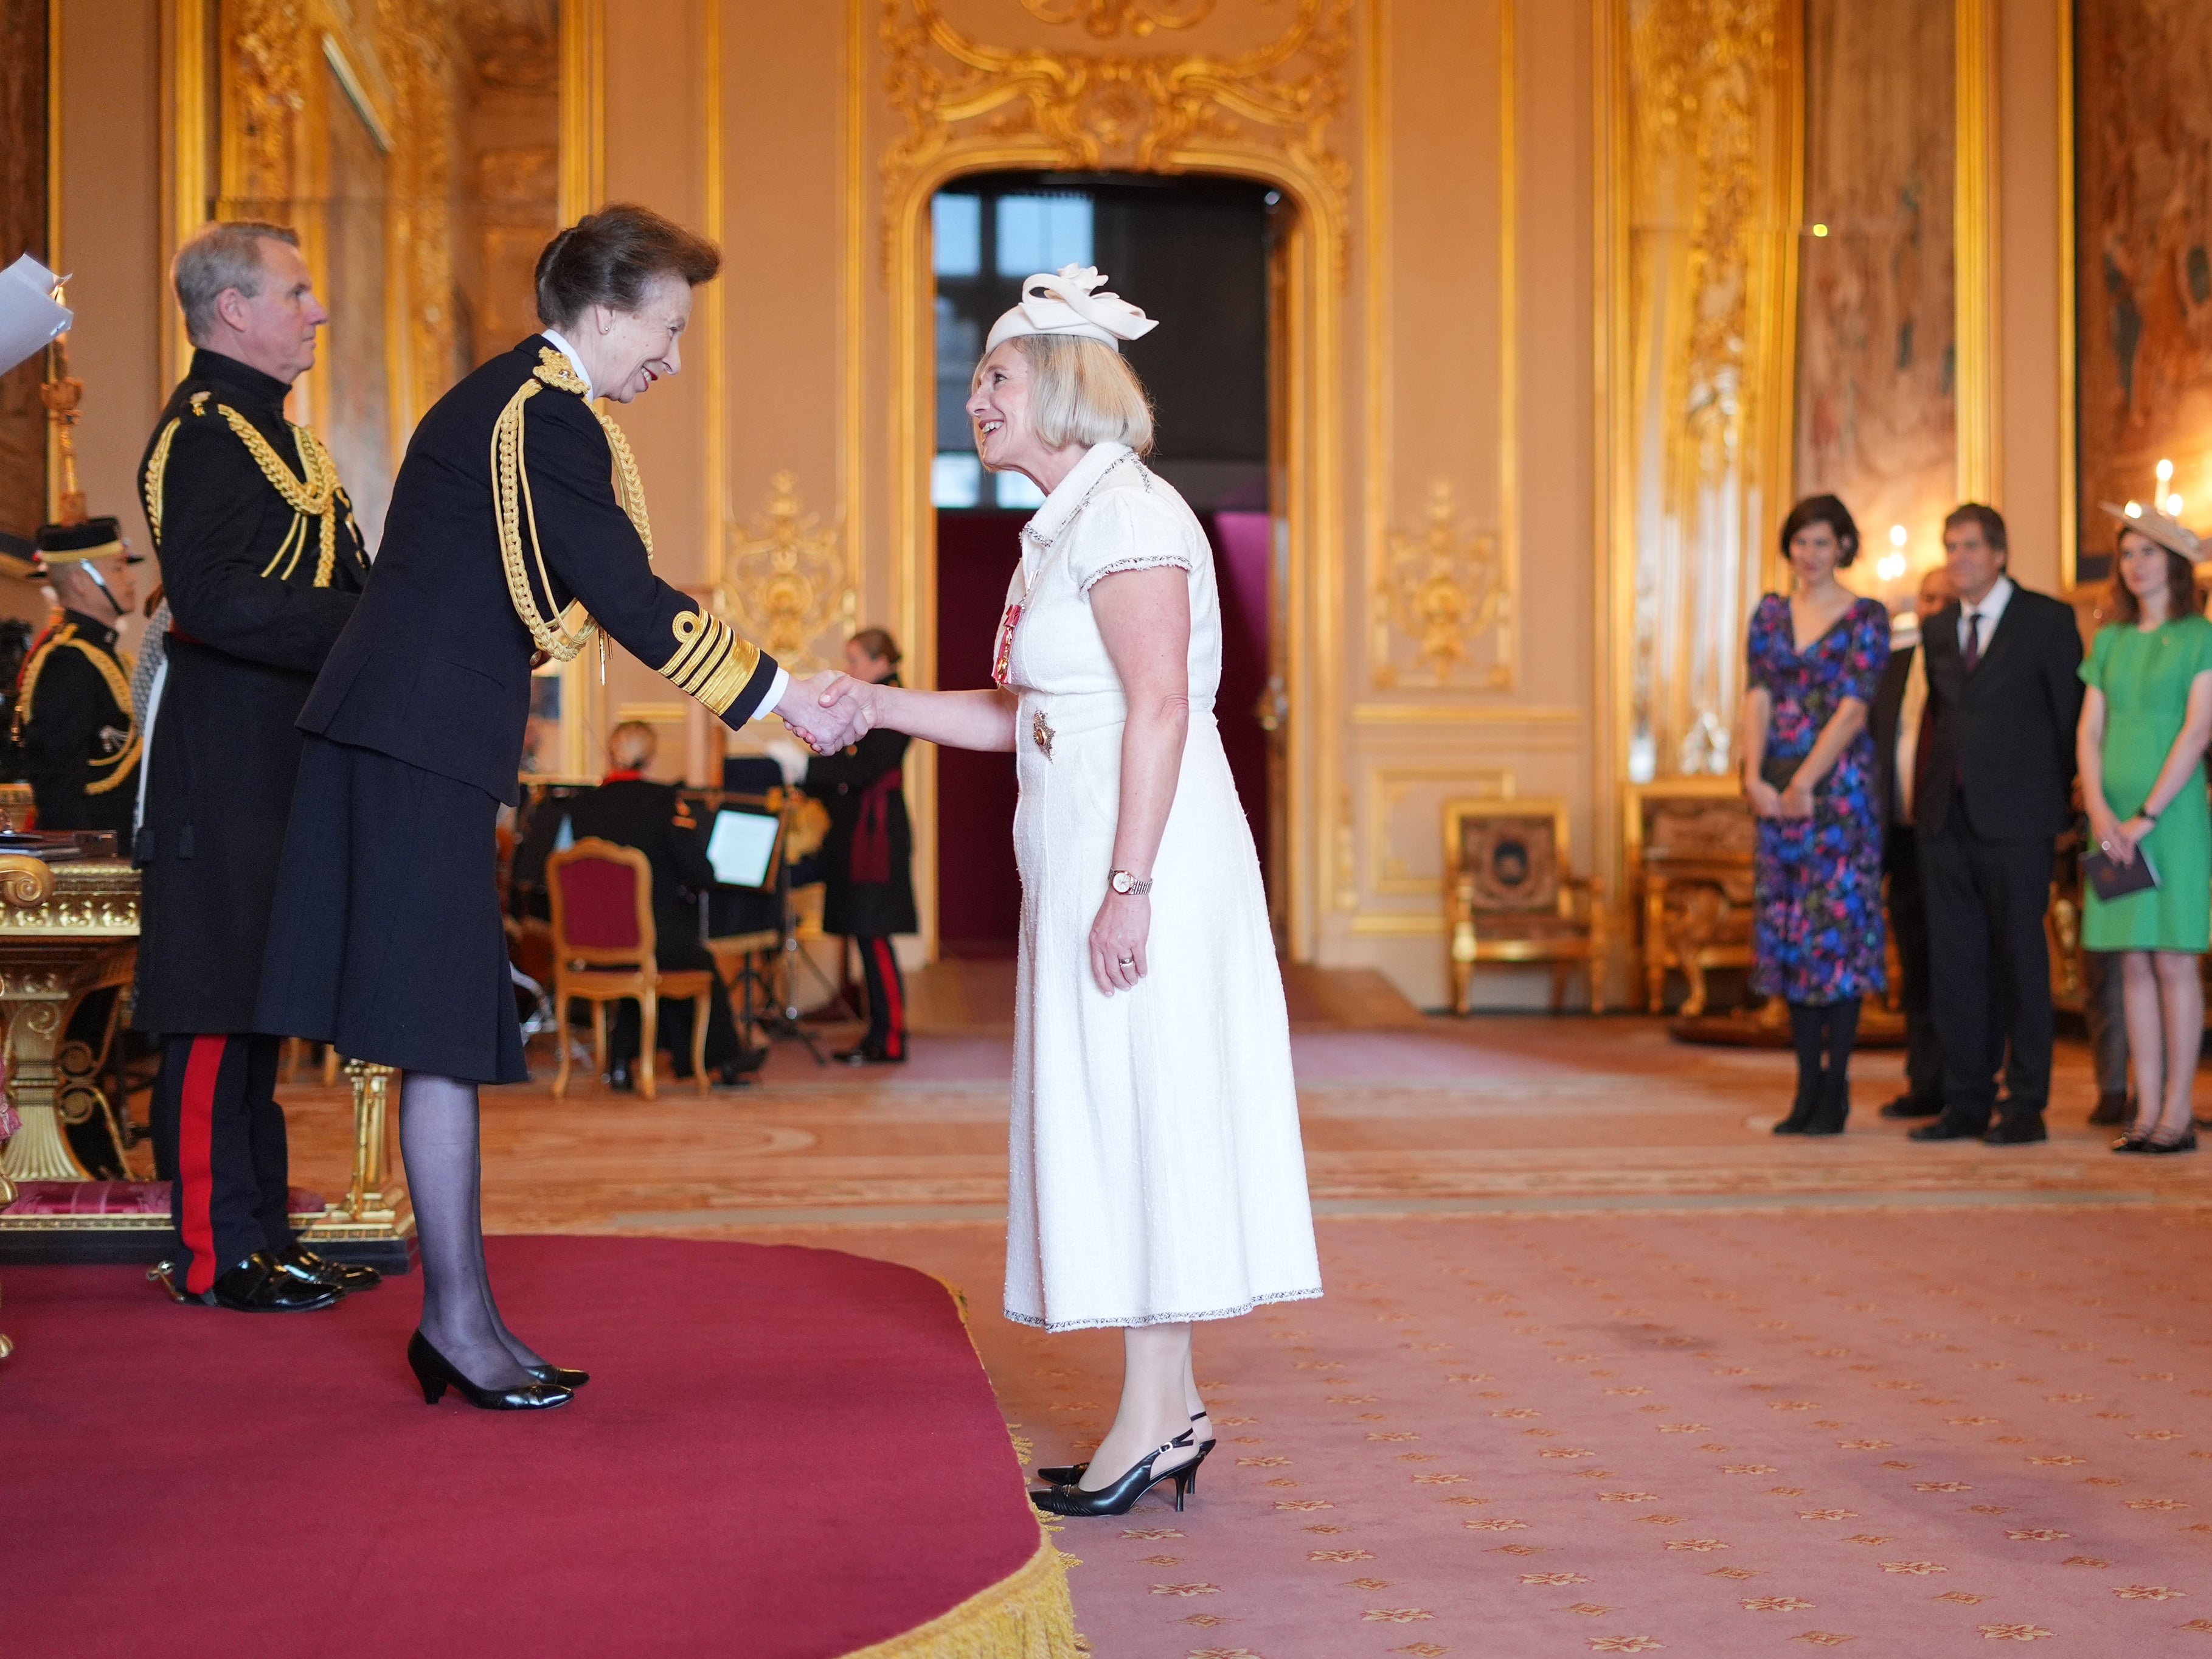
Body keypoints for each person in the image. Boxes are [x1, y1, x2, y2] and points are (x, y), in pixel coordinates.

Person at [255, 204, 856, 1410]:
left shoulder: (521, 402)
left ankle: (462, 1318)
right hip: (412, 745)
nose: (673, 359)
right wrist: (784, 695)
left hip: (413, 738)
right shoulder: (543, 417)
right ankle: (459, 1324)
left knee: (445, 1035)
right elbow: (627, 596)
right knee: (440, 1033)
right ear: (606, 310)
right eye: (669, 329)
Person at [817, 265, 1322, 1516]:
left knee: (1142, 1109)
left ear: (1055, 386)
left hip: (1142, 856)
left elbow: (1160, 706)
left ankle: (1157, 1420)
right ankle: (1167, 1410)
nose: (974, 396)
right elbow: (1022, 711)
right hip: (1096, 849)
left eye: (991, 377)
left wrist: (1129, 885)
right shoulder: (1070, 524)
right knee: (1121, 1111)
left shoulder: (1131, 517)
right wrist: (876, 703)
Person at [135, 221, 380, 1314]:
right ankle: (211, 1250)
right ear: (232, 308)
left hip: (279, 771)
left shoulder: (282, 439)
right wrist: (367, 628)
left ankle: (265, 1231)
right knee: (210, 1013)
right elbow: (217, 599)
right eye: (298, 290)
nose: (316, 309)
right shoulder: (204, 434)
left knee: (260, 1013)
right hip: (218, 774)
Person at [1910, 504, 2085, 1146]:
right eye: (1950, 546)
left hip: (2019, 821)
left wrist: (2065, 807)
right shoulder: (1936, 631)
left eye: (1970, 547)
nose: (1959, 558)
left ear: (1999, 553)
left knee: (2019, 960)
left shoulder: (2046, 619)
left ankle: (2024, 1106)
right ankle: (1965, 1102)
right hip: (1944, 820)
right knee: (1957, 965)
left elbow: (2069, 719)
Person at [1742, 495, 1890, 1136]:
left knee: (1840, 937)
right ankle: (1805, 1087)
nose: (1809, 555)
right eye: (1800, 542)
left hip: (1839, 793)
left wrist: (1806, 779)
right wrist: (1752, 775)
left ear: (1843, 547)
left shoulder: (1866, 616)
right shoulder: (1770, 614)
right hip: (1775, 789)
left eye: (1822, 543)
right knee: (1793, 935)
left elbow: (1855, 707)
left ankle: (1836, 1086)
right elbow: (1757, 695)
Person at [2076, 504, 2212, 1154]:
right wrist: (2101, 813)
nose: (2135, 565)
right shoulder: (2109, 642)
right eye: (2126, 554)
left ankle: (2179, 1114)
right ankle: (2147, 1106)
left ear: (2175, 563)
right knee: (2130, 963)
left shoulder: (2198, 636)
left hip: (2172, 818)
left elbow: (2197, 730)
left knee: (2174, 961)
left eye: (2148, 553)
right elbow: (2088, 729)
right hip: (2111, 824)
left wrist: (2146, 815)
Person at [564, 720, 761, 1088]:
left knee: (649, 960)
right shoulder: (662, 802)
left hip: (590, 941)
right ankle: (723, 1060)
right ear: (649, 759)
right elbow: (698, 871)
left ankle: (623, 1060)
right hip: (650, 939)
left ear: (610, 755)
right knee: (691, 957)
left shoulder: (583, 805)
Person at [1867, 565, 1958, 1119]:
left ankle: (1964, 1081)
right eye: (1927, 598)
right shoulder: (1893, 665)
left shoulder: (1970, 669)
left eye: (1946, 600)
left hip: (1952, 839)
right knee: (1916, 965)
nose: (1933, 608)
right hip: (1899, 838)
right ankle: (1923, 1081)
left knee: (1958, 965)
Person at [804, 628, 917, 1065]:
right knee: (866, 934)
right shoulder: (874, 699)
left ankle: (890, 1036)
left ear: (880, 661)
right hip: (864, 832)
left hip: (878, 835)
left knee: (874, 934)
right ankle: (879, 1032)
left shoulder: (893, 702)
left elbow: (865, 768)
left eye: (855, 660)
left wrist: (810, 771)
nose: (849, 669)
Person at [16, 519, 143, 849]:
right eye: (118, 569)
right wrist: (90, 868)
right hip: (97, 873)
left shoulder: (105, 656)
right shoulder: (68, 662)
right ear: (81, 582)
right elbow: (57, 788)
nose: (130, 579)